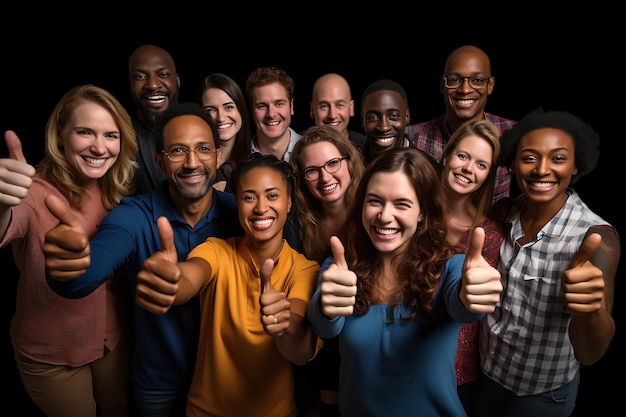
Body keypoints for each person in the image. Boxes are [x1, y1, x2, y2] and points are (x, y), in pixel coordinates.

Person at [43, 102, 243, 417]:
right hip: (158, 386)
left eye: (203, 149)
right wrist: (69, 268)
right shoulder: (133, 216)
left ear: (218, 157)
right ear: (160, 163)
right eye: (178, 151)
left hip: (227, 383)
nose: (192, 162)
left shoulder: (242, 215)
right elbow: (87, 271)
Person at [307, 147, 503, 417]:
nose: (385, 216)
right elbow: (323, 327)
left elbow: (464, 306)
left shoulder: (450, 266)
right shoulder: (341, 266)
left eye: (401, 204)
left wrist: (473, 295)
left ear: (423, 212)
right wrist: (326, 307)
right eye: (374, 201)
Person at [135, 152, 321, 417]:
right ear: (237, 204)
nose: (260, 207)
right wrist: (172, 281)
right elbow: (190, 276)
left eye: (272, 195)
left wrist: (286, 324)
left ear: (289, 202)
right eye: (249, 197)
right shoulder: (216, 251)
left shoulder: (305, 269)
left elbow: (300, 352)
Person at [0, 84, 138, 417]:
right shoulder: (31, 193)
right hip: (51, 355)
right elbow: (6, 223)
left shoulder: (118, 191)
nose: (99, 147)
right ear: (60, 136)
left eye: (110, 135)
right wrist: (2, 202)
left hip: (113, 343)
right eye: (85, 132)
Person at [476, 107, 619, 417]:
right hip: (489, 376)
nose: (542, 170)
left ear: (575, 165)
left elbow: (591, 353)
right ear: (513, 164)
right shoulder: (509, 212)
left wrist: (589, 309)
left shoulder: (595, 238)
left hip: (540, 394)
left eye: (557, 158)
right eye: (529, 157)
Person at [289, 125, 365, 417]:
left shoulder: (374, 212)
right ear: (302, 178)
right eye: (312, 170)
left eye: (333, 163)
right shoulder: (297, 222)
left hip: (363, 338)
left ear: (348, 160)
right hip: (320, 341)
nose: (324, 177)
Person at [439, 119, 505, 416]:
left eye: (481, 164)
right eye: (463, 156)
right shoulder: (407, 211)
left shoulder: (490, 234)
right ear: (446, 155)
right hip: (401, 357)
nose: (468, 168)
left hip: (460, 375)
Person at [407, 44, 516, 203]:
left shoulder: (512, 133)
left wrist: (512, 206)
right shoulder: (414, 138)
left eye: (477, 80)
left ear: (490, 85)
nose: (465, 89)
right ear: (442, 85)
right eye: (454, 80)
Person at [128, 44, 180, 195]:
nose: (152, 85)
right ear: (131, 84)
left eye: (163, 74)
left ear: (177, 81)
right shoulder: (117, 135)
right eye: (140, 76)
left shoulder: (200, 128)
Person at [197, 72, 252, 193]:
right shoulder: (193, 162)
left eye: (228, 107)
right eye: (211, 110)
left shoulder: (256, 160)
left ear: (241, 110)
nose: (221, 118)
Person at [245, 66, 301, 162]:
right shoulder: (238, 158)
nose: (271, 114)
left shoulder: (312, 150)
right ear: (251, 110)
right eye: (262, 106)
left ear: (291, 106)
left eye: (279, 104)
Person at [359, 78, 412, 166]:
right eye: (373, 117)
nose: (384, 127)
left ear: (407, 117)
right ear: (362, 121)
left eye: (393, 116)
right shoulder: (349, 165)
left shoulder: (425, 168)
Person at [310, 73, 366, 148]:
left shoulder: (366, 148)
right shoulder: (300, 150)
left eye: (340, 105)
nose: (332, 115)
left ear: (351, 108)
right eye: (324, 106)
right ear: (312, 110)